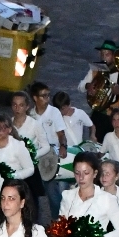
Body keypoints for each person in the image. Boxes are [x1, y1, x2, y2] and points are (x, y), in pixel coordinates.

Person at [30, 82, 68, 218]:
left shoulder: (54, 112)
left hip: (50, 156)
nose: (47, 98)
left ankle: (57, 221)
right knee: (34, 192)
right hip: (36, 155)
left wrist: (63, 146)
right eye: (44, 95)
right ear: (35, 98)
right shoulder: (31, 114)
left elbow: (61, 133)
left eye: (48, 95)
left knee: (51, 191)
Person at [8, 93, 47, 212]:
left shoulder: (35, 124)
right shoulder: (8, 124)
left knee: (31, 202)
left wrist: (32, 155)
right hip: (13, 168)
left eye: (21, 105)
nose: (17, 108)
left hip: (29, 169)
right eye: (14, 105)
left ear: (27, 107)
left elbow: (46, 146)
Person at [0, 115, 34, 181]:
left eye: (3, 128)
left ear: (9, 129)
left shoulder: (18, 146)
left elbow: (30, 169)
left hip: (14, 183)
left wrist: (14, 175)